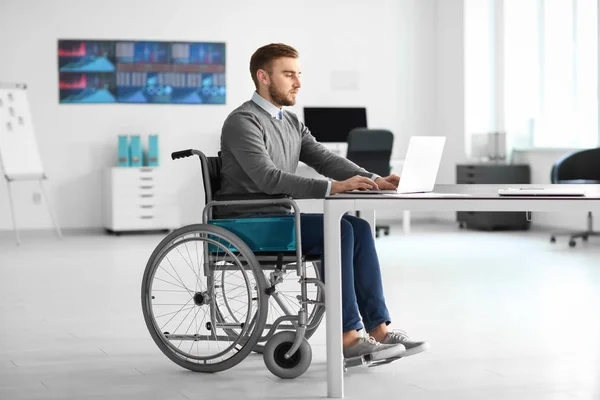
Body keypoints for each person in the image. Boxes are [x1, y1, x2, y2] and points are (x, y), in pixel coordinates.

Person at [215, 43, 429, 361]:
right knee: (339, 229)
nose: (298, 82)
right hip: (247, 222)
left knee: (355, 226)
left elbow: (326, 160)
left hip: (276, 218)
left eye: (298, 74)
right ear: (263, 77)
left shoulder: (290, 123)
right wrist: (334, 188)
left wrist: (374, 179)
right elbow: (267, 178)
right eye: (289, 74)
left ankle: (378, 330)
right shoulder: (242, 122)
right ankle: (347, 337)